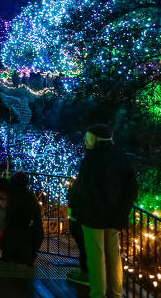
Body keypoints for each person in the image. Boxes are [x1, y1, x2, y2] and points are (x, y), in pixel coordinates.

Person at [68, 124, 137, 298]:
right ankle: (116, 292)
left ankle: (98, 294)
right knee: (114, 255)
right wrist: (122, 212)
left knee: (96, 257)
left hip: (93, 216)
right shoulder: (122, 157)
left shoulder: (91, 159)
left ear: (92, 138)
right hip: (115, 216)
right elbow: (131, 189)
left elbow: (88, 190)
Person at [0, 172, 43, 265]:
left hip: (11, 237)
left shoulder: (10, 198)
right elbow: (38, 224)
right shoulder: (30, 198)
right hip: (26, 237)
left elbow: (5, 218)